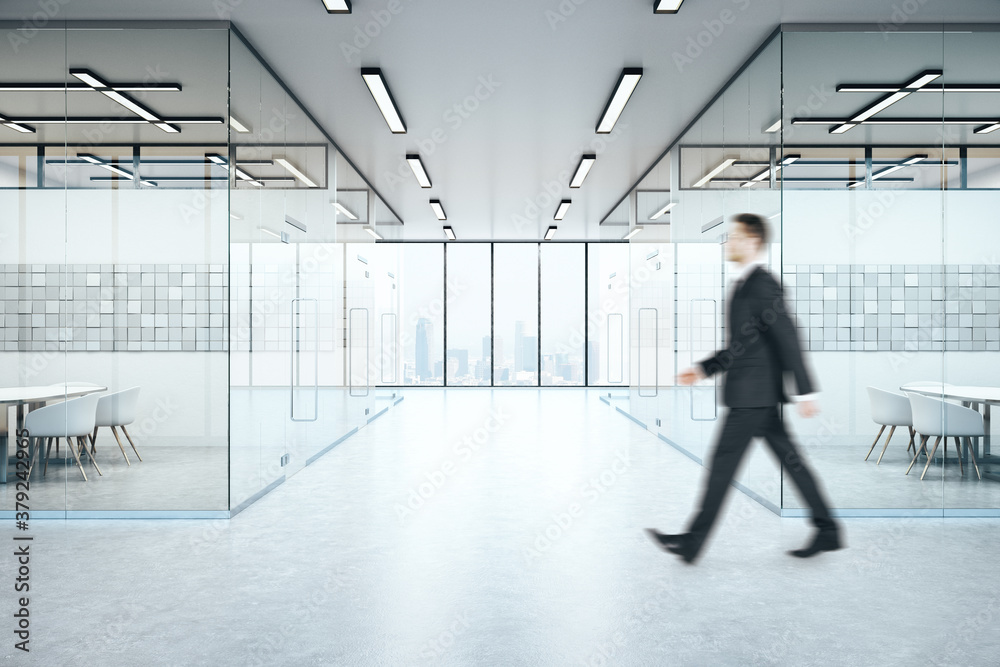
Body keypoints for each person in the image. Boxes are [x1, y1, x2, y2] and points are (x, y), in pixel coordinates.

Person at [647, 213, 841, 563]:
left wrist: (806, 390)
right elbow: (743, 346)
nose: (728, 242)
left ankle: (692, 543)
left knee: (722, 465)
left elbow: (788, 336)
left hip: (752, 397)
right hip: (756, 396)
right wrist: (704, 369)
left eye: (734, 236)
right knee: (792, 462)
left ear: (752, 241)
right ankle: (828, 530)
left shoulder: (763, 284)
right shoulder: (743, 285)